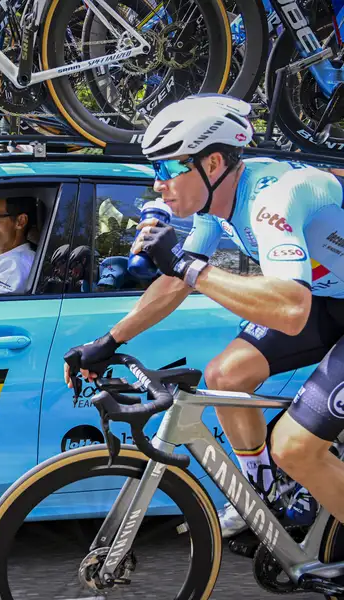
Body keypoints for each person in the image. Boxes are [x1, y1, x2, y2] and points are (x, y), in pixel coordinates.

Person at [63, 94, 344, 539]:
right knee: (225, 375)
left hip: (316, 301)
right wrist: (109, 341)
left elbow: (291, 311)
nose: (158, 183)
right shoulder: (217, 208)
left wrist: (187, 266)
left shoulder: (272, 200)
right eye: (155, 168)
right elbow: (177, 281)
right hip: (331, 298)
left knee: (295, 449)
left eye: (168, 167)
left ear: (213, 164)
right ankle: (263, 498)